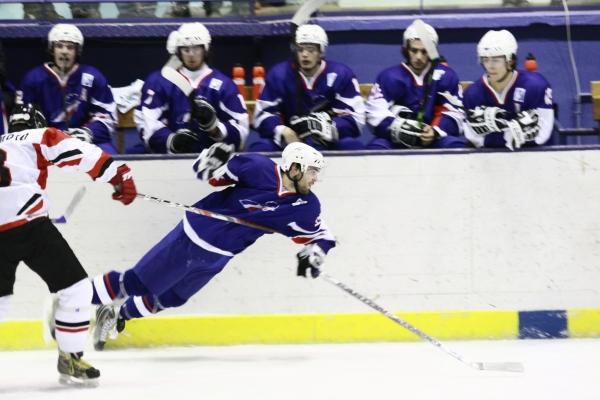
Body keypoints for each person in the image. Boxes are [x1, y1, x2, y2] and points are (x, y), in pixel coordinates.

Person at [90, 141, 336, 350]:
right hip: (194, 236)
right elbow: (210, 175)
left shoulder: (307, 206)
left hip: (221, 255)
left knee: (173, 298)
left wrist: (316, 251)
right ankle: (78, 299)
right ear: (294, 168)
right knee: (141, 283)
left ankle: (117, 315)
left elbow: (322, 235)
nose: (316, 179)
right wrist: (212, 159)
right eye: (312, 172)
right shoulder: (258, 167)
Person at [0, 103, 137, 385]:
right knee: (74, 288)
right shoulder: (39, 136)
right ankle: (70, 357)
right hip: (29, 226)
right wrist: (117, 173)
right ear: (36, 122)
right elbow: (77, 151)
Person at [250, 24, 366, 151]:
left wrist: (328, 129)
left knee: (352, 146)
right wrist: (282, 131)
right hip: (289, 143)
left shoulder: (342, 75)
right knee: (260, 148)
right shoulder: (278, 75)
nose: (305, 54)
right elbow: (262, 114)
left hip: (327, 141)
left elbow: (356, 117)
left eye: (310, 50)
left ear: (321, 51)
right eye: (300, 49)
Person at [138, 23, 249, 154]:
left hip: (213, 160)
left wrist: (215, 127)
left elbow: (242, 130)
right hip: (169, 160)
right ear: (178, 51)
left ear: (205, 49)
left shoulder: (224, 84)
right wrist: (171, 140)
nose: (191, 54)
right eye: (186, 49)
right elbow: (146, 124)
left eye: (196, 48)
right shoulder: (160, 81)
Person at [365, 20, 467, 149]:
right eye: (414, 50)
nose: (418, 57)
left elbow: (456, 112)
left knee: (455, 145)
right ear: (406, 49)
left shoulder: (446, 75)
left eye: (424, 51)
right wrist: (397, 128)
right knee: (377, 147)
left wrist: (435, 131)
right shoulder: (389, 77)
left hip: (434, 140)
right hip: (396, 140)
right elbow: (375, 111)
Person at [20, 24, 118, 154]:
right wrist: (46, 138)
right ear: (52, 49)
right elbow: (22, 122)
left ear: (77, 51)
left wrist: (88, 133)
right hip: (46, 145)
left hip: (85, 143)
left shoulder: (93, 77)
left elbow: (107, 117)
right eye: (59, 46)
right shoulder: (33, 79)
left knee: (108, 155)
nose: (64, 51)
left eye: (70, 47)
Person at [463, 30, 554, 150]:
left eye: (496, 60)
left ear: (511, 61)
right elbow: (473, 138)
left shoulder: (536, 85)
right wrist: (513, 134)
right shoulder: (473, 93)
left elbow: (542, 135)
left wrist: (496, 136)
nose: (490, 66)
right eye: (485, 59)